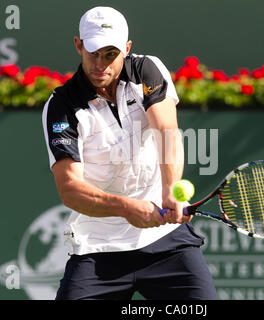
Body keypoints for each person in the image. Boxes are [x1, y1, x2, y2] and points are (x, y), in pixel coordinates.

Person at [42, 6, 217, 300]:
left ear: (127, 48)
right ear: (78, 45)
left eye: (110, 54)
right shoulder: (61, 106)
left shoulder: (147, 70)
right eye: (93, 52)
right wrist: (126, 208)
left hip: (166, 244)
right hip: (97, 249)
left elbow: (167, 132)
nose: (101, 64)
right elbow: (70, 189)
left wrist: (171, 189)